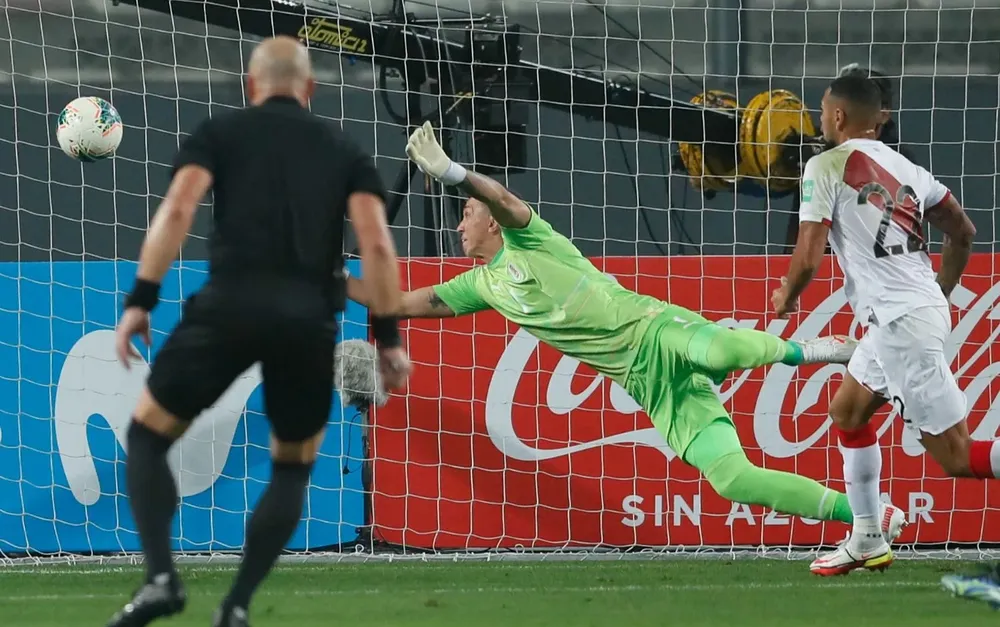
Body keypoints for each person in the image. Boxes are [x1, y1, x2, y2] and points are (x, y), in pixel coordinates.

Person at [349, 121, 910, 551]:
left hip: (655, 330)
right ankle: (870, 515)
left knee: (720, 349)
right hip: (647, 382)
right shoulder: (480, 286)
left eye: (465, 213)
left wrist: (453, 173)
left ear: (490, 223)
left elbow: (505, 199)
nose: (458, 222)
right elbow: (394, 302)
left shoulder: (530, 240)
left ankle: (821, 350)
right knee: (733, 481)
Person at [102, 36, 411, 627]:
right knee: (292, 467)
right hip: (307, 322)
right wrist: (388, 338)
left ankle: (162, 577)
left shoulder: (219, 133)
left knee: (146, 435)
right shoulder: (345, 150)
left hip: (228, 309)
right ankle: (237, 607)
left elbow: (178, 211)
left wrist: (140, 300)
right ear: (311, 88)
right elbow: (377, 245)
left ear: (250, 85)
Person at [774, 74, 980, 576]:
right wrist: (938, 295)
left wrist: (786, 294)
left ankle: (868, 533)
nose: (820, 120)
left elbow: (807, 257)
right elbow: (964, 232)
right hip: (900, 318)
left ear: (838, 117)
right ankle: (867, 535)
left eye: (823, 112)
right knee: (847, 412)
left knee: (956, 457)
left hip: (901, 322)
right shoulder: (909, 168)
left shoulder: (824, 165)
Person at [784, 64, 914, 251]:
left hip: (869, 266)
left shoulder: (901, 160)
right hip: (809, 263)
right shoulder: (815, 149)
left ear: (883, 115)